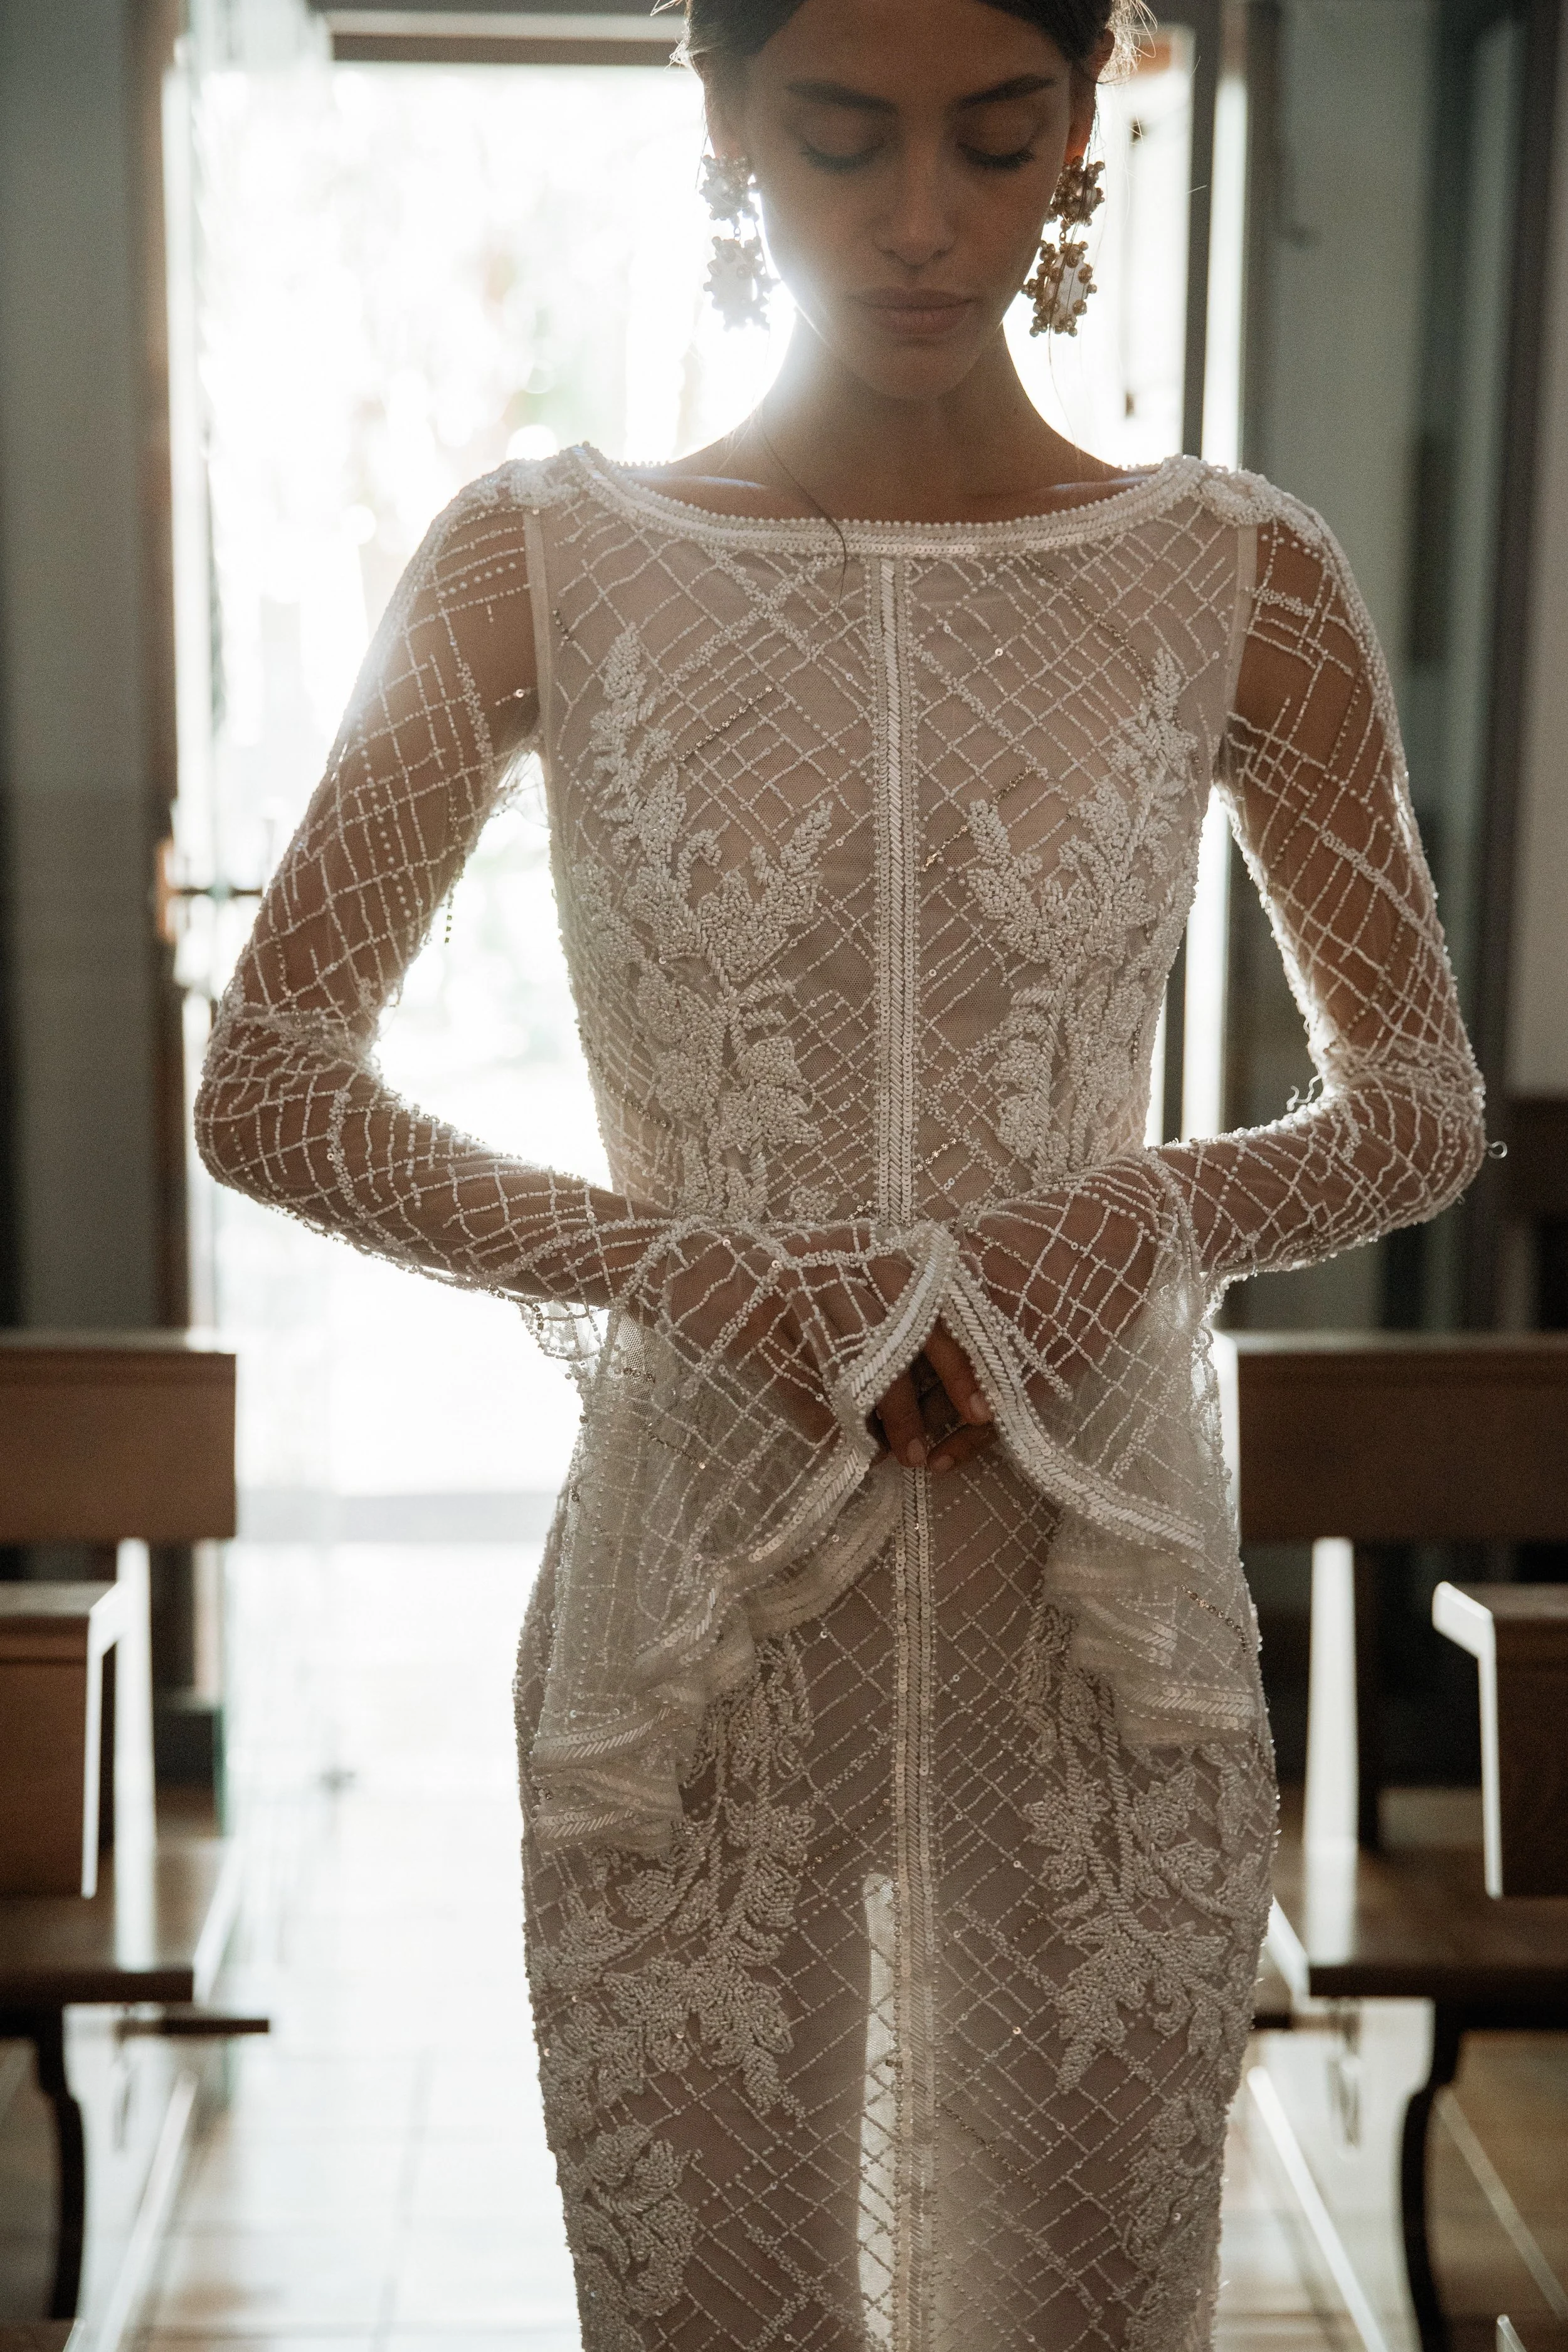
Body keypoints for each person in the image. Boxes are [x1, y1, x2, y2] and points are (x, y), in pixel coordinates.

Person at [196, 0, 1486, 2340]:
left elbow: (1413, 1103)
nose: (918, 221)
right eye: (837, 138)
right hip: (706, 1578)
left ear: (1081, 130)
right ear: (719, 123)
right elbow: (274, 1086)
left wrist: (1119, 1223)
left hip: (1087, 1587)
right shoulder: (538, 554)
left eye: (994, 142)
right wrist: (709, 1274)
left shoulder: (1236, 571)